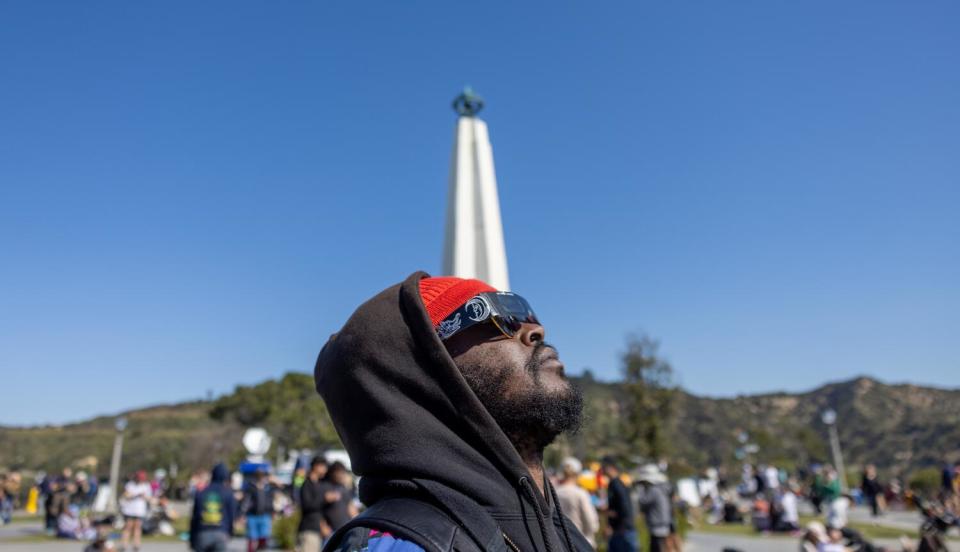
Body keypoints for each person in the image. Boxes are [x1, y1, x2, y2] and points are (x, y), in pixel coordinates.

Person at [315, 274, 592, 552]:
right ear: (425, 374)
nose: (536, 329)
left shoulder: (560, 531)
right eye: (494, 312)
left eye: (527, 311)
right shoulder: (402, 545)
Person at [189, 463, 237, 552]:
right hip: (220, 533)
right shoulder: (228, 493)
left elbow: (195, 517)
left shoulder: (201, 492)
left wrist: (192, 537)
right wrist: (230, 532)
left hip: (202, 532)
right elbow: (231, 515)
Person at [554, 457, 599, 547]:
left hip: (560, 543)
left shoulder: (554, 492)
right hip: (581, 543)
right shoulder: (581, 494)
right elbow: (592, 524)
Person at [297, 456, 336, 552]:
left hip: (320, 531)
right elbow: (307, 505)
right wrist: (324, 498)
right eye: (323, 467)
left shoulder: (320, 484)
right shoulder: (306, 484)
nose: (325, 470)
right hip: (309, 530)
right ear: (316, 466)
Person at [602, 457, 637, 552]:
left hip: (622, 532)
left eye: (603, 467)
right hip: (620, 531)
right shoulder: (613, 484)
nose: (602, 469)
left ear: (610, 468)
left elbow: (624, 509)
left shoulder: (617, 485)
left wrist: (611, 519)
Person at [634, 464, 671, 552]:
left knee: (656, 548)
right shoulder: (661, 488)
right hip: (662, 524)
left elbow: (643, 501)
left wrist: (639, 489)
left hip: (657, 525)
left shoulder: (654, 490)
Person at [241, 469, 275, 552]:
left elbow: (270, 501)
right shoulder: (251, 488)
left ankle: (260, 549)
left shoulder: (268, 488)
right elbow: (246, 502)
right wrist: (243, 513)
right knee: (252, 537)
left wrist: (272, 512)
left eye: (262, 476)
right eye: (259, 476)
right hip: (252, 515)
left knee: (264, 537)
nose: (261, 478)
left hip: (265, 515)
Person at [120, 470, 152, 552]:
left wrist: (144, 496)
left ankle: (136, 545)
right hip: (130, 509)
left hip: (140, 510)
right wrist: (135, 495)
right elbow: (126, 495)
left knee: (137, 527)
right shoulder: (130, 485)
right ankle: (124, 545)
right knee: (128, 526)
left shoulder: (146, 486)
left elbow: (149, 498)